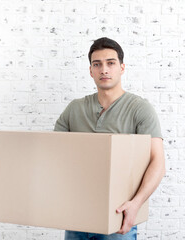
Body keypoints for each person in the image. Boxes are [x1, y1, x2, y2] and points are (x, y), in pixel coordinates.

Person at [54, 37, 165, 240]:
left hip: (119, 217)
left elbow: (158, 162)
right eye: (97, 64)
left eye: (110, 63)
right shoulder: (74, 109)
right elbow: (54, 155)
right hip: (77, 216)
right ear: (90, 71)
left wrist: (136, 204)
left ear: (122, 68)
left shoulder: (140, 109)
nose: (104, 69)